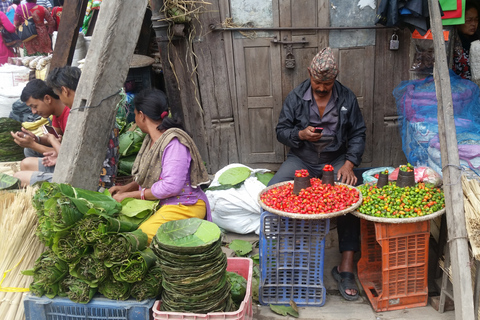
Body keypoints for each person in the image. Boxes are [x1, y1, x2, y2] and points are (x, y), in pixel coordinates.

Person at [268, 47, 366, 301]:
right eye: (317, 82)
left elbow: (358, 133)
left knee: (351, 199)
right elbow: (281, 130)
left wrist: (350, 164)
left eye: (327, 83)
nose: (322, 88)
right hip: (302, 158)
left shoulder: (347, 98)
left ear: (335, 79)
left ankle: (345, 266)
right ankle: (286, 258)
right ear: (309, 74)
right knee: (272, 193)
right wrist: (300, 135)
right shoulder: (296, 96)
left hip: (335, 161)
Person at [109, 89, 212, 244]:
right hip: (162, 204)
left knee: (142, 236)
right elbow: (150, 175)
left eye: (136, 114)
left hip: (184, 206)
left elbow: (171, 187)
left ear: (141, 116)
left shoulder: (174, 143)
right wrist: (126, 188)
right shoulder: (150, 141)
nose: (135, 119)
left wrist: (130, 195)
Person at [46, 65, 120, 189]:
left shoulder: (85, 117)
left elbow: (68, 160)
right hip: (101, 176)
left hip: (95, 183)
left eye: (59, 95)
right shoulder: (94, 108)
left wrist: (53, 141)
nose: (61, 100)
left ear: (65, 90)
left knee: (25, 177)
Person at [10, 79, 69, 186]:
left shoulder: (69, 114)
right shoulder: (57, 113)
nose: (33, 112)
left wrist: (33, 145)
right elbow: (54, 137)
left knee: (20, 175)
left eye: (34, 106)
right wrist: (36, 139)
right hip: (62, 157)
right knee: (28, 152)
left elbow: (67, 157)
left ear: (47, 99)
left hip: (67, 164)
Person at [453, 1, 479, 80]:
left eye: (476, 20)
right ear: (458, 22)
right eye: (469, 20)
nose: (473, 24)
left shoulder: (476, 41)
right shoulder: (454, 45)